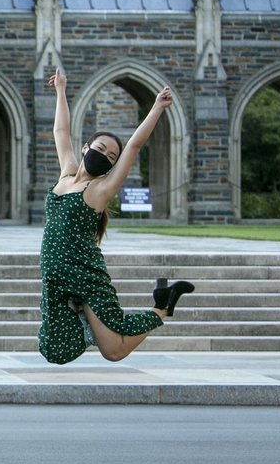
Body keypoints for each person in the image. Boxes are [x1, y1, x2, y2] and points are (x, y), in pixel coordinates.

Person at [39, 66, 194, 364]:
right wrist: (60, 90)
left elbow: (134, 146)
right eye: (100, 149)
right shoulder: (66, 174)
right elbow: (60, 130)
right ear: (85, 148)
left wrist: (157, 108)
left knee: (115, 351)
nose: (105, 157)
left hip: (86, 275)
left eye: (111, 157)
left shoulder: (99, 190)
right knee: (54, 348)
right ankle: (89, 321)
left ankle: (161, 308)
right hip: (56, 277)